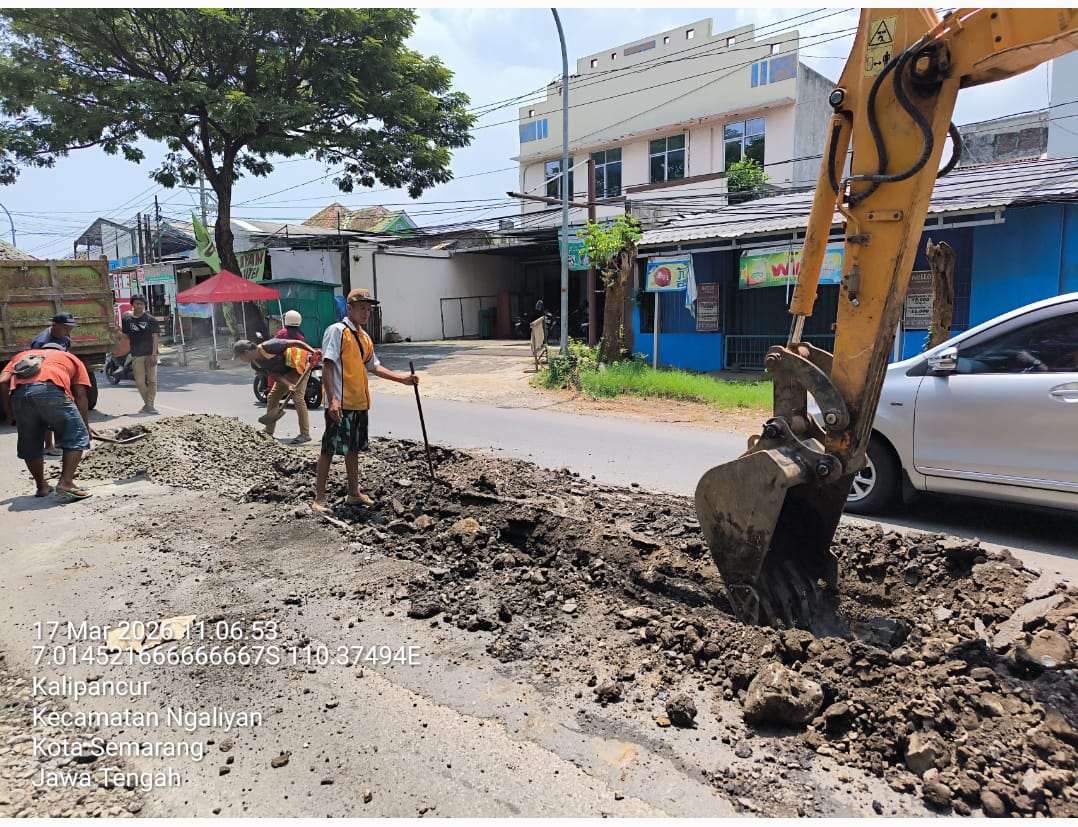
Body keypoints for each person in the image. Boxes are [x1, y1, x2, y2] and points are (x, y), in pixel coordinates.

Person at [312, 288, 418, 513]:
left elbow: (374, 366)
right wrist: (332, 400)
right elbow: (328, 365)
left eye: (368, 309)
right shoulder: (337, 331)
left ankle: (353, 493)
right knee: (329, 448)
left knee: (353, 449)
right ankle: (319, 498)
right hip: (341, 402)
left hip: (360, 402)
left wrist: (403, 379)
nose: (366, 313)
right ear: (349, 308)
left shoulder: (364, 337)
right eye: (361, 308)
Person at [0, 343, 98, 500]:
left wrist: (9, 414)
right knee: (77, 435)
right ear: (60, 350)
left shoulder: (21, 356)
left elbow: (3, 381)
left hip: (19, 396)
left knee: (30, 441)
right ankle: (66, 482)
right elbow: (80, 395)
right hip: (49, 389)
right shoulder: (69, 357)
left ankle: (41, 486)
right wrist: (85, 426)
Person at [233, 334, 319, 445]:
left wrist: (314, 352)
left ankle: (305, 434)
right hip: (285, 372)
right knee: (272, 397)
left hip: (299, 364)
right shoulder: (255, 363)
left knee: (297, 397)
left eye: (240, 357)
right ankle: (268, 431)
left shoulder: (269, 346)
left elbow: (297, 343)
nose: (240, 360)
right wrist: (288, 385)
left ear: (246, 352)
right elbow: (274, 375)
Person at [30, 312, 77, 456]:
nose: (69, 331)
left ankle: (59, 442)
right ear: (54, 325)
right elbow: (35, 365)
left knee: (60, 412)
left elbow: (67, 355)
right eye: (65, 327)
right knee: (47, 413)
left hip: (60, 377)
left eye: (70, 327)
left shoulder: (65, 337)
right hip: (44, 379)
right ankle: (48, 445)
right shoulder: (40, 342)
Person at [121, 295, 160, 414]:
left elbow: (155, 337)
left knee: (152, 380)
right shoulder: (127, 320)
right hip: (136, 354)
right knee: (139, 382)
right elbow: (127, 336)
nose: (139, 306)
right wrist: (117, 333)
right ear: (132, 305)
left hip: (150, 353)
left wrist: (154, 354)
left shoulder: (150, 319)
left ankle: (150, 405)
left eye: (141, 304)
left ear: (144, 305)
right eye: (137, 304)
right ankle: (148, 405)